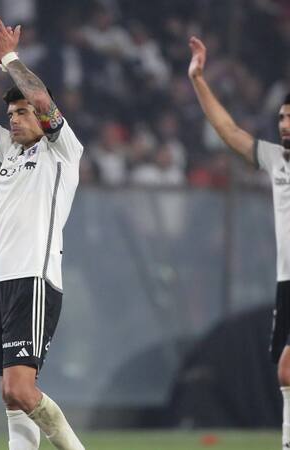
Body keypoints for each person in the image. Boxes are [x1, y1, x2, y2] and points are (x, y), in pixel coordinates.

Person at [0, 15, 86, 450]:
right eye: (10, 113)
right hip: (2, 282)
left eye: (22, 112)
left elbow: (42, 98)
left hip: (35, 278)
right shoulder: (9, 151)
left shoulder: (62, 150)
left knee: (20, 389)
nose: (13, 119)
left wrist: (11, 57)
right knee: (9, 396)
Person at [188, 35, 290, 448]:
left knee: (287, 368)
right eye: (282, 118)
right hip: (286, 283)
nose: (284, 125)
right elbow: (229, 130)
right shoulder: (276, 160)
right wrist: (198, 78)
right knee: (285, 372)